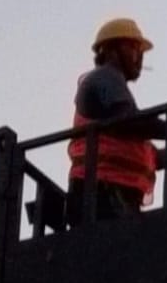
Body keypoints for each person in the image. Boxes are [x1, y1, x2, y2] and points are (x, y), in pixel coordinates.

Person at [67, 17, 160, 224]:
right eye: (133, 48)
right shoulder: (104, 77)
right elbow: (129, 122)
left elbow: (129, 134)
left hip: (113, 192)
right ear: (110, 50)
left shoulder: (111, 86)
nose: (139, 57)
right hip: (101, 192)